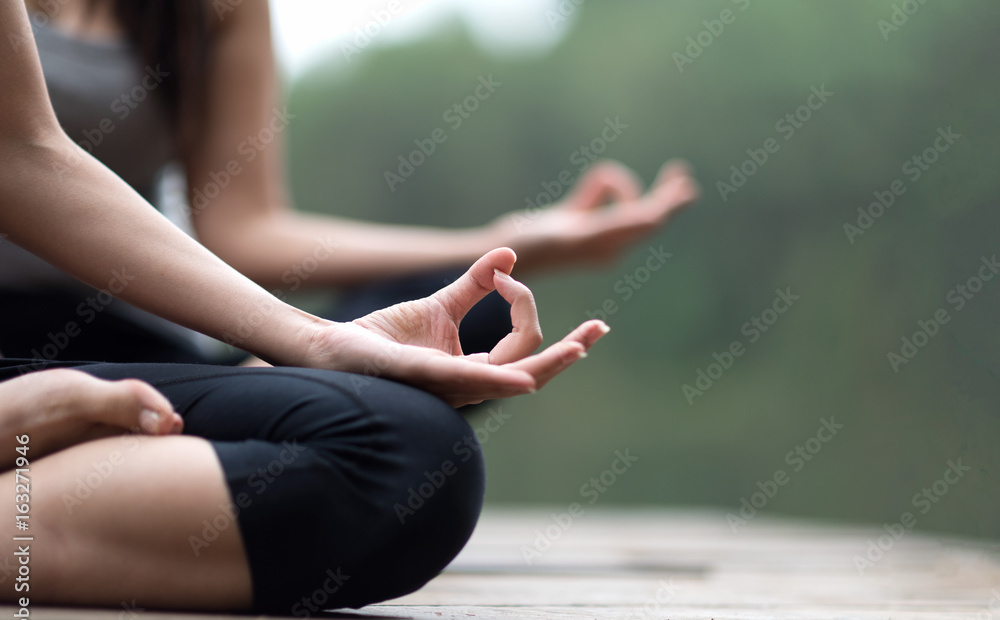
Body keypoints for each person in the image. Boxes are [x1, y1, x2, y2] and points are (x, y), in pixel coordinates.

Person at [0, 0, 609, 613]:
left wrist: (318, 339)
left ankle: (76, 449)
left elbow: (234, 222)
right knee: (394, 456)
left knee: (432, 407)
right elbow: (21, 155)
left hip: (127, 347)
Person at [0, 0, 698, 364]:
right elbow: (23, 156)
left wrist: (499, 245)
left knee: (464, 313)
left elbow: (244, 230)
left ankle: (229, 408)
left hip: (139, 334)